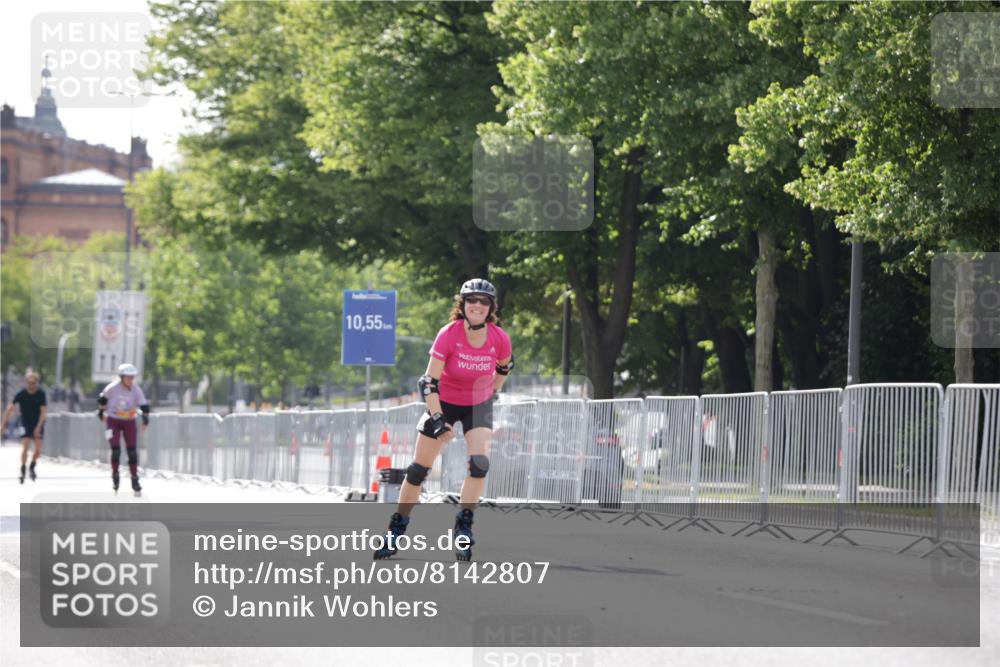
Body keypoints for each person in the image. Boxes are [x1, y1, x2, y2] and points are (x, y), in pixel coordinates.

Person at [374, 279, 513, 562]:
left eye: (483, 301)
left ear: (491, 308)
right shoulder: (448, 335)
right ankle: (397, 527)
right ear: (462, 305)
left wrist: (492, 391)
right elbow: (428, 382)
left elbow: (505, 366)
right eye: (471, 300)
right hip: (444, 402)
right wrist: (437, 419)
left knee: (479, 465)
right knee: (418, 470)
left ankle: (464, 524)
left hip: (477, 402)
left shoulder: (499, 338)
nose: (477, 305)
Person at [97, 363, 150, 496]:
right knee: (115, 451)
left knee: (132, 452)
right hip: (113, 420)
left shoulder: (136, 389)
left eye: (132, 377)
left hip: (129, 421)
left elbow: (144, 405)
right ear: (121, 377)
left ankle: (134, 479)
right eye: (128, 377)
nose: (130, 380)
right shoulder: (113, 387)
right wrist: (101, 412)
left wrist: (145, 419)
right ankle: (115, 474)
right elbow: (102, 399)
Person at [1, 372, 47, 483]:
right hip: (25, 422)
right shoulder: (21, 394)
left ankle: (32, 466)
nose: (31, 385)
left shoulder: (41, 394)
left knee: (38, 450)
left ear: (36, 383)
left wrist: (39, 426)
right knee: (25, 446)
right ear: (26, 383)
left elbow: (43, 411)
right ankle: (22, 469)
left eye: (33, 383)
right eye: (29, 382)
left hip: (38, 422)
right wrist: (3, 424)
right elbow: (10, 408)